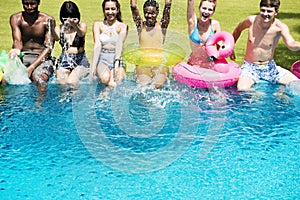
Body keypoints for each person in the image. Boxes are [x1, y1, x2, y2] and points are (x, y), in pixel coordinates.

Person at [230, 0, 300, 91]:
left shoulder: (280, 27)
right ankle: (258, 96)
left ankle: (280, 94)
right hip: (250, 67)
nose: (265, 14)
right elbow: (237, 30)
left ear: (276, 12)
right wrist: (231, 47)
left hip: (270, 68)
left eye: (269, 11)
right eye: (263, 10)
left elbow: (291, 44)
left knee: (297, 85)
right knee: (242, 89)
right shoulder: (251, 21)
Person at [8, 0, 55, 90]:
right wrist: (16, 50)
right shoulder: (16, 18)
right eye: (26, 4)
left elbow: (48, 48)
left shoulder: (48, 20)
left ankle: (40, 104)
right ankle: (9, 103)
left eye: (32, 4)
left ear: (38, 2)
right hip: (23, 56)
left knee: (39, 79)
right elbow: (17, 41)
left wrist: (31, 67)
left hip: (42, 58)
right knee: (6, 80)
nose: (29, 7)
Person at [130, 0, 172, 89]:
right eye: (146, 13)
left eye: (152, 13)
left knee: (158, 85)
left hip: (159, 64)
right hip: (143, 64)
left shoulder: (162, 25)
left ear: (157, 12)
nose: (149, 16)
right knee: (144, 85)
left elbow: (168, 5)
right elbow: (133, 6)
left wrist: (168, 3)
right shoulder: (141, 26)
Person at [50, 1, 89, 86]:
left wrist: (74, 25)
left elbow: (81, 34)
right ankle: (64, 99)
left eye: (71, 17)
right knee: (62, 82)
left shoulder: (82, 25)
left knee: (71, 81)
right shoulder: (60, 28)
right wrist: (51, 27)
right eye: (66, 17)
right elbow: (56, 38)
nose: (68, 19)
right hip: (65, 59)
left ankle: (77, 99)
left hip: (80, 60)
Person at [91, 0, 128, 87]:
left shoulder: (122, 26)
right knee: (104, 79)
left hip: (117, 58)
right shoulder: (98, 25)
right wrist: (93, 67)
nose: (110, 12)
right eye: (107, 9)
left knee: (115, 82)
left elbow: (119, 44)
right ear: (103, 10)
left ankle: (106, 96)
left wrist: (116, 63)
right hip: (103, 58)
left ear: (117, 10)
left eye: (113, 9)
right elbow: (97, 45)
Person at [187, 0, 221, 68]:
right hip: (193, 64)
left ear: (213, 12)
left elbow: (219, 52)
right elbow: (190, 3)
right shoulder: (193, 23)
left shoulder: (215, 25)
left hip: (209, 65)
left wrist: (208, 61)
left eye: (210, 10)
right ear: (199, 8)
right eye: (204, 8)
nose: (206, 12)